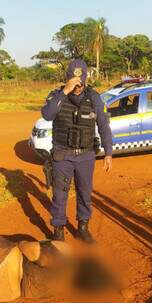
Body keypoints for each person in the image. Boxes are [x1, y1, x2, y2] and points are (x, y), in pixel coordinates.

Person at [41, 59, 113, 243]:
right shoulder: (56, 96)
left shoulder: (94, 98)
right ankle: (58, 230)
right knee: (60, 194)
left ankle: (83, 227)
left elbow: (104, 125)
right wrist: (65, 91)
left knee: (84, 192)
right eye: (73, 82)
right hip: (62, 155)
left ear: (86, 80)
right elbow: (47, 115)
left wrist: (108, 153)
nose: (77, 87)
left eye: (80, 83)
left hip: (86, 156)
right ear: (67, 79)